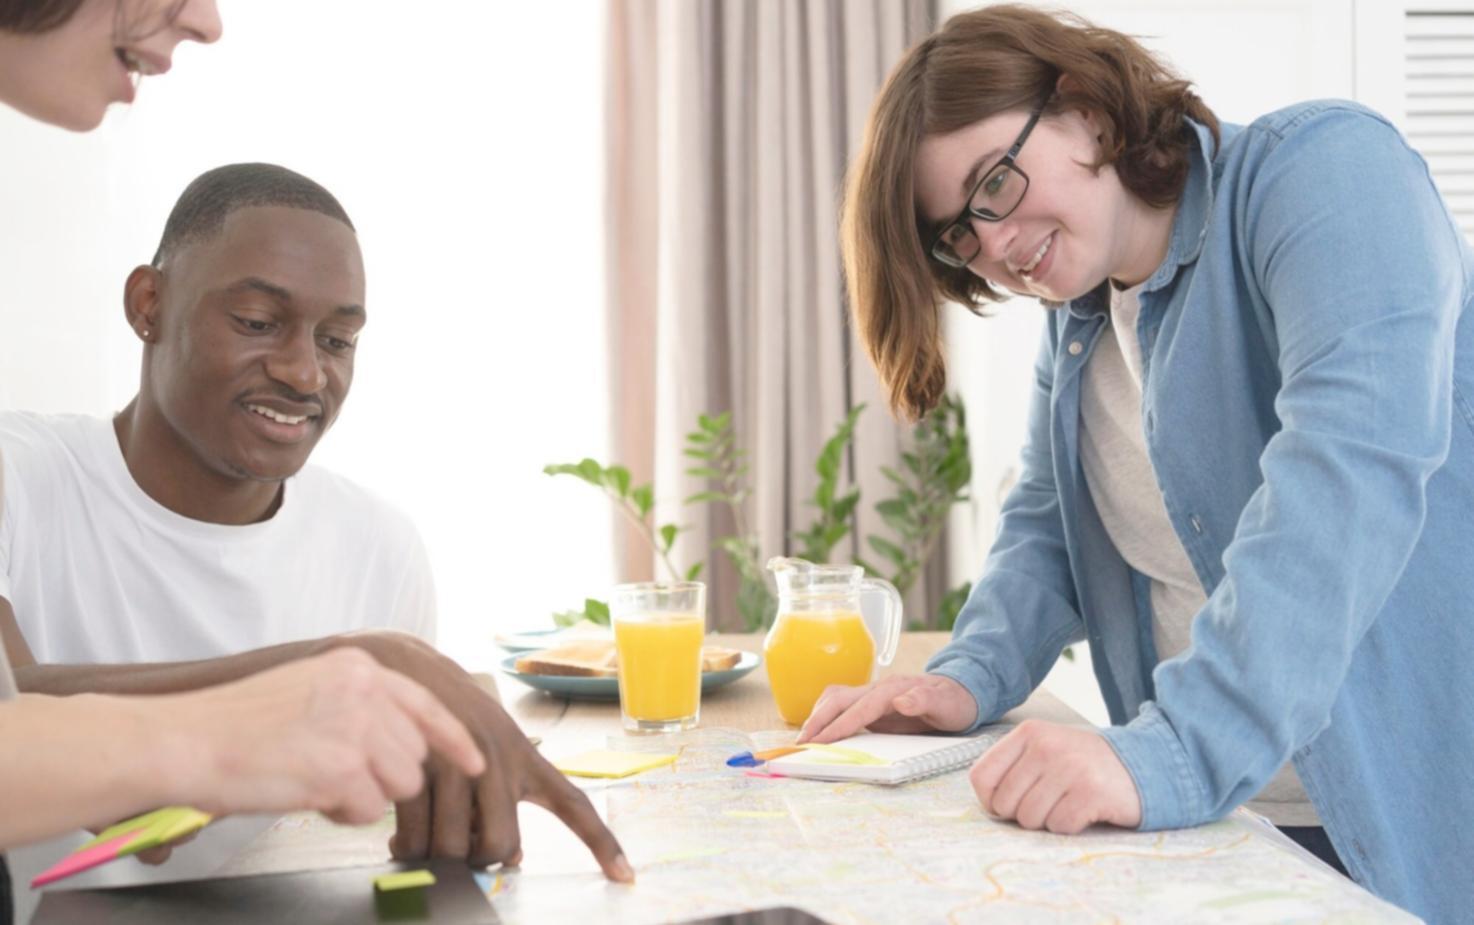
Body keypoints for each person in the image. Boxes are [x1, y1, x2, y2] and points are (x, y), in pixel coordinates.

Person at [801, 5, 1473, 923]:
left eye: (993, 183)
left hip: (1398, 833)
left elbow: (1344, 487)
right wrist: (960, 679)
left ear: (1085, 105)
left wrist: (1174, 754)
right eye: (958, 232)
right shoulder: (1079, 326)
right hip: (1225, 832)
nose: (992, 246)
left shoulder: (1326, 174)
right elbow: (1044, 531)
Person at [0, 1, 631, 918]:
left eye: (338, 340)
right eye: (257, 324)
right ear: (148, 304)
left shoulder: (379, 546)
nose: (303, 370)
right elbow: (21, 704)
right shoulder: (22, 480)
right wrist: (342, 665)